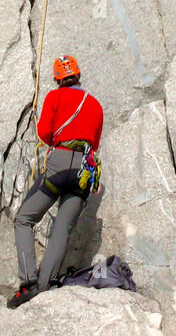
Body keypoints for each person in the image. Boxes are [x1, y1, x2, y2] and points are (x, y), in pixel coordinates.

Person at [8, 55, 104, 309]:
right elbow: (95, 141)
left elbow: (44, 133)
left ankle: (28, 283)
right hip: (84, 168)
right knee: (62, 229)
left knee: (24, 219)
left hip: (59, 163)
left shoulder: (54, 97)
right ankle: (45, 285)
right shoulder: (94, 104)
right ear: (78, 75)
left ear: (57, 78)